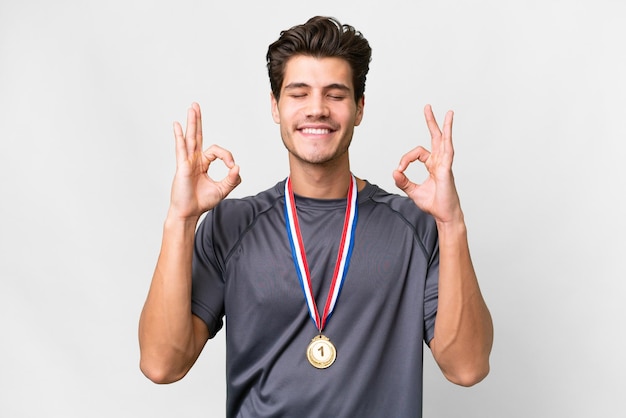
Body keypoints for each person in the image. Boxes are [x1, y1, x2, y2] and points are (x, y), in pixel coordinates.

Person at [139, 16, 493, 417]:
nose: (317, 109)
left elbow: (467, 367)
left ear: (359, 108)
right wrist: (181, 219)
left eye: (335, 94)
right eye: (299, 93)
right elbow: (161, 365)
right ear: (275, 107)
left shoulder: (417, 227)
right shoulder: (231, 226)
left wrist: (452, 224)